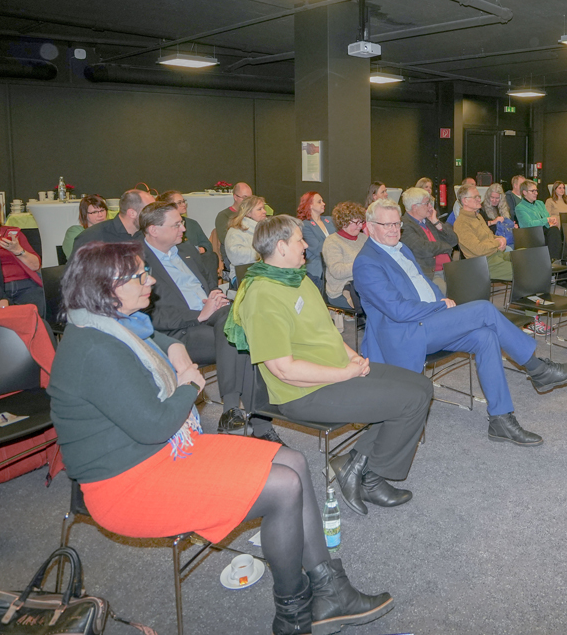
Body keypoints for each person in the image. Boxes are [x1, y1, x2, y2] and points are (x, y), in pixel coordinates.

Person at [48, 241, 393, 635]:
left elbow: (160, 340)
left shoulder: (112, 325)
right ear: (107, 288)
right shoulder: (96, 349)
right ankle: (294, 615)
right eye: (140, 276)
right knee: (283, 485)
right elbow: (157, 424)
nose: (151, 280)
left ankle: (331, 590)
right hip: (126, 481)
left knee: (292, 459)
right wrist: (187, 385)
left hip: (158, 454)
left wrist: (177, 351)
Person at [230, 216, 432, 516]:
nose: (307, 245)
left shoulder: (298, 278)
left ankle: (356, 462)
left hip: (336, 370)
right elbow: (284, 370)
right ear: (282, 247)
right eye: (300, 239)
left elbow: (327, 332)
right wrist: (344, 373)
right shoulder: (262, 295)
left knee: (422, 385)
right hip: (304, 392)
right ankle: (371, 478)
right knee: (410, 401)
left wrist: (351, 356)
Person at [353, 199, 567, 446]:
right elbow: (397, 310)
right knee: (484, 309)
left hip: (430, 321)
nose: (393, 229)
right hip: (405, 333)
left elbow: (423, 283)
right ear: (369, 226)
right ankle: (537, 369)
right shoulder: (367, 262)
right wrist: (440, 306)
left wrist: (440, 298)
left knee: (486, 336)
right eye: (386, 224)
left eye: (397, 224)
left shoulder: (400, 248)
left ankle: (500, 419)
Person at [140, 202, 278, 443]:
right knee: (240, 336)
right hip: (178, 330)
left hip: (212, 317)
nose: (183, 228)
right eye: (176, 224)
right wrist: (199, 315)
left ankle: (233, 411)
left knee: (236, 325)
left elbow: (208, 283)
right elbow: (149, 314)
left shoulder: (185, 250)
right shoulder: (137, 261)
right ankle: (258, 422)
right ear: (153, 230)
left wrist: (216, 295)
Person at [398, 188, 458, 293]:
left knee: (470, 286)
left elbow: (454, 240)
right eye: (427, 203)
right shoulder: (405, 225)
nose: (430, 206)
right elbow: (424, 249)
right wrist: (446, 246)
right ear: (414, 207)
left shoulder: (429, 221)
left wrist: (436, 221)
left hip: (448, 270)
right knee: (450, 293)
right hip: (430, 273)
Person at [452, 185, 512, 281]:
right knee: (522, 270)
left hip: (495, 254)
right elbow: (478, 249)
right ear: (465, 201)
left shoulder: (477, 216)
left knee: (525, 255)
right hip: (483, 263)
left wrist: (501, 238)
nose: (479, 200)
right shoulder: (461, 224)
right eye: (475, 197)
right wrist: (498, 242)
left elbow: (490, 236)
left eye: (479, 197)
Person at [72, 188, 153, 257]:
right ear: (132, 213)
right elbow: (76, 274)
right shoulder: (91, 238)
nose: (155, 215)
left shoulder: (148, 236)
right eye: (150, 210)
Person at [322, 202, 367, 310]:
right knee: (378, 304)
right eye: (356, 222)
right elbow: (337, 271)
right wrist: (362, 264)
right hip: (341, 291)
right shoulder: (332, 242)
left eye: (361, 222)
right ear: (344, 222)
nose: (360, 226)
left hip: (363, 286)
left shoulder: (363, 238)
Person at [298, 192, 335, 295]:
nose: (323, 204)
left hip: (333, 268)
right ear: (309, 205)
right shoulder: (305, 225)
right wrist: (335, 244)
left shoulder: (329, 220)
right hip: (317, 271)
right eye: (319, 202)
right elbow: (317, 249)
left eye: (322, 201)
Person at [225, 195, 268, 269]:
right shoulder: (235, 231)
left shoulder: (268, 229)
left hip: (264, 271)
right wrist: (266, 253)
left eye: (263, 208)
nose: (264, 211)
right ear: (248, 213)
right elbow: (235, 255)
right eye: (259, 209)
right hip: (244, 274)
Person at [63, 194, 109, 259]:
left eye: (102, 210)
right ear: (85, 214)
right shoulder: (75, 232)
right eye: (95, 212)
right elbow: (76, 258)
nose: (100, 215)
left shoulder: (110, 230)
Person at [214, 182, 254, 247]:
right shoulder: (223, 216)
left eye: (250, 199)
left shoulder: (253, 214)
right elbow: (225, 240)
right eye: (245, 198)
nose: (248, 202)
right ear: (235, 197)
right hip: (232, 251)